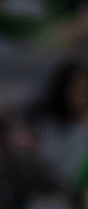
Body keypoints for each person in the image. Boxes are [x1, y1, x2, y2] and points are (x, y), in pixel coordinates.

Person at [36, 61, 88, 191]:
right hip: (56, 190)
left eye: (85, 90)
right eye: (77, 89)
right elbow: (63, 174)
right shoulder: (48, 127)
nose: (82, 95)